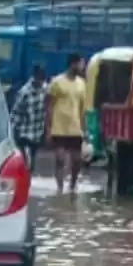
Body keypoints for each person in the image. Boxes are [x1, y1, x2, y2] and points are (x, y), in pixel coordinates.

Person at [47, 53, 87, 192]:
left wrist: (84, 129)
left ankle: (72, 185)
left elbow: (82, 109)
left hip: (75, 128)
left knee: (77, 160)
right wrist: (48, 128)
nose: (83, 67)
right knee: (60, 159)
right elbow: (50, 106)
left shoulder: (82, 84)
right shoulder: (57, 82)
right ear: (73, 64)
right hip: (59, 128)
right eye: (81, 64)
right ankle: (59, 188)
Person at [10, 63, 48, 172]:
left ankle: (29, 176)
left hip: (37, 130)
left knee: (33, 157)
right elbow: (16, 111)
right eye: (39, 79)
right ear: (34, 77)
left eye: (42, 79)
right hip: (24, 130)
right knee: (25, 158)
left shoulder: (45, 89)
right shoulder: (24, 92)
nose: (40, 82)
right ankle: (25, 174)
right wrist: (13, 129)